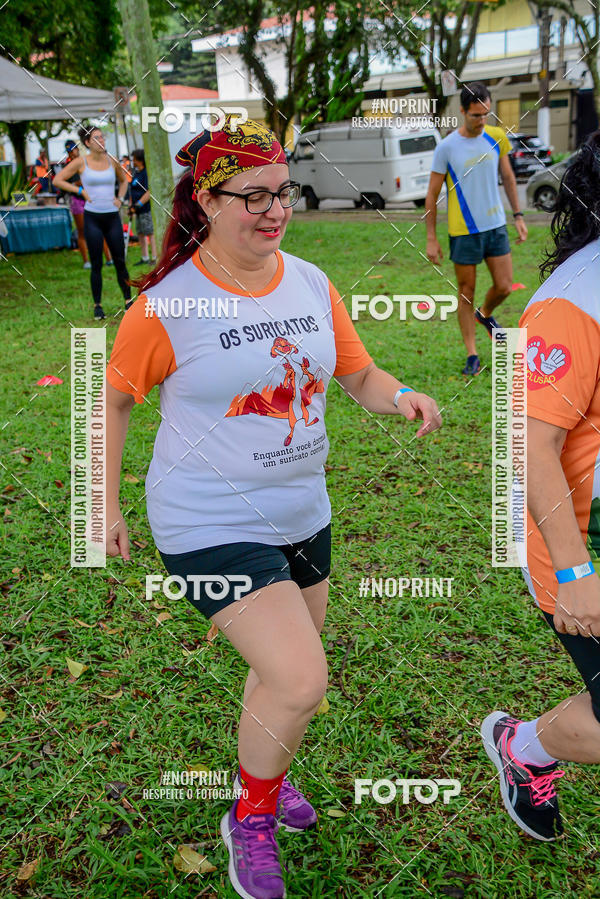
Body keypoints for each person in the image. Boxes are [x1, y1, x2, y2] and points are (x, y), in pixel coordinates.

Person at [104, 116, 442, 899]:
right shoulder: (166, 307)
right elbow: (112, 403)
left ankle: (264, 771)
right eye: (252, 195)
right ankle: (249, 818)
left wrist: (401, 396)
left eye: (282, 191)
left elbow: (356, 375)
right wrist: (104, 503)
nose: (274, 209)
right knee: (300, 677)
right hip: (206, 521)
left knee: (279, 683)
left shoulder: (312, 282)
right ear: (207, 201)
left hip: (302, 510)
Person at [481, 132, 600, 842]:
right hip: (582, 550)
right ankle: (526, 747)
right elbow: (527, 442)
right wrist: (576, 570)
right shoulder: (572, 303)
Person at [425, 82, 528, 376]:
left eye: (486, 114)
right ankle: (472, 353)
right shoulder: (446, 147)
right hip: (463, 231)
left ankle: (485, 315)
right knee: (466, 292)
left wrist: (518, 216)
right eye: (475, 115)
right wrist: (431, 238)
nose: (481, 121)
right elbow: (432, 194)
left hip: (495, 226)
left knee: (505, 285)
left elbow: (508, 178)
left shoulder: (496, 137)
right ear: (462, 111)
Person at [53, 125, 131, 320]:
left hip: (112, 216)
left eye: (102, 137)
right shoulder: (81, 162)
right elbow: (57, 180)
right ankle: (98, 306)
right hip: (92, 218)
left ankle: (129, 302)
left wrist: (120, 199)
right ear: (88, 143)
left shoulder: (111, 161)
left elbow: (124, 181)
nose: (102, 141)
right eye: (97, 138)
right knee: (96, 264)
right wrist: (80, 191)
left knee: (120, 261)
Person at [62, 140, 90, 269]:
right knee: (82, 231)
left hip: (91, 199)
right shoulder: (67, 167)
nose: (71, 153)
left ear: (77, 149)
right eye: (69, 151)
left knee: (97, 229)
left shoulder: (86, 162)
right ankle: (86, 261)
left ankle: (106, 258)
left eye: (73, 150)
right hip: (77, 200)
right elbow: (63, 185)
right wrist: (76, 186)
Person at [129, 148, 156, 265]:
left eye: (134, 159)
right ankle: (144, 257)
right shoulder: (136, 173)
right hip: (137, 210)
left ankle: (155, 257)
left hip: (145, 208)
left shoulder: (146, 173)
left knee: (150, 232)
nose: (133, 161)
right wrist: (131, 206)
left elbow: (149, 191)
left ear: (140, 160)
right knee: (140, 232)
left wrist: (139, 204)